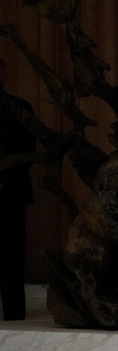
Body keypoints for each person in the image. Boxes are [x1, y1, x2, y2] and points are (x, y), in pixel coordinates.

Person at [0, 57, 37, 321]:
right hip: (11, 188)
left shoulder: (21, 108)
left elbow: (30, 151)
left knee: (12, 255)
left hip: (12, 191)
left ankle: (14, 314)